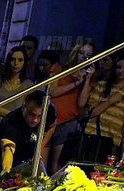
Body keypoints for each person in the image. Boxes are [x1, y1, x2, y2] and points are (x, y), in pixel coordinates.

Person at [43, 40, 95, 173]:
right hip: (49, 119)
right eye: (82, 53)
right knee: (41, 162)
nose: (84, 57)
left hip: (67, 122)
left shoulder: (89, 79)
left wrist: (87, 80)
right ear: (76, 53)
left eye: (88, 54)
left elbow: (81, 103)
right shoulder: (60, 68)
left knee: (57, 165)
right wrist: (76, 82)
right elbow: (52, 92)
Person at [0, 46, 33, 173]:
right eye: (13, 59)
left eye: (20, 60)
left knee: (8, 171)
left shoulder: (28, 84)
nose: (16, 63)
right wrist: (13, 115)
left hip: (13, 132)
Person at [0, 89, 55, 174]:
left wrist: (38, 150)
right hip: (0, 155)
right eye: (32, 114)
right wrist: (6, 174)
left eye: (39, 116)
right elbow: (8, 149)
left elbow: (51, 127)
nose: (35, 120)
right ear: (24, 107)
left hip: (26, 154)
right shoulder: (11, 121)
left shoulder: (49, 111)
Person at [83, 53, 124, 154]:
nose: (121, 71)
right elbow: (91, 113)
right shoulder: (102, 86)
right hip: (92, 135)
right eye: (119, 67)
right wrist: (110, 101)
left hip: (112, 141)